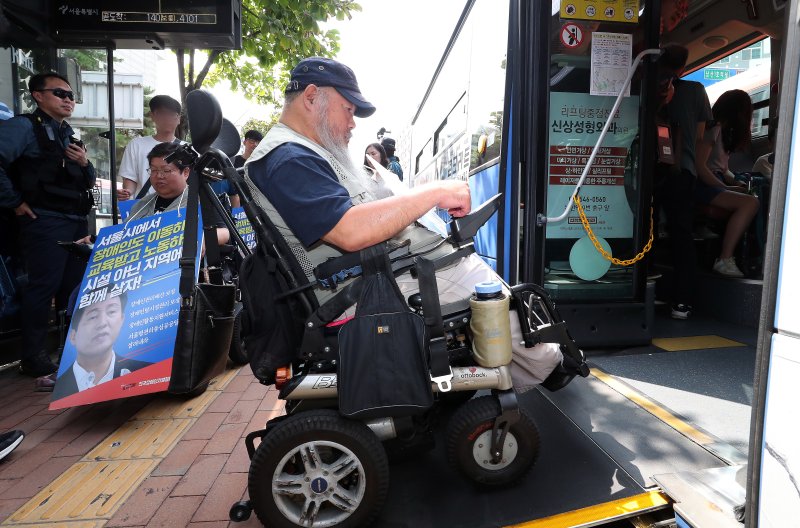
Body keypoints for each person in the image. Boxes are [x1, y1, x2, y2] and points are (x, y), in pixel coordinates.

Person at [245, 57, 562, 391]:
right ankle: (547, 365)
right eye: (348, 109)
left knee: (469, 269)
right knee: (488, 292)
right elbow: (350, 231)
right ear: (311, 97)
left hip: (357, 275)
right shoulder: (288, 158)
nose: (353, 124)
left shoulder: (296, 152)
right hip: (352, 289)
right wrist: (434, 192)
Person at [0, 72, 95, 376]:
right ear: (38, 95)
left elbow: (86, 182)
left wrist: (84, 163)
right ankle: (34, 356)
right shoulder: (23, 127)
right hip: (46, 221)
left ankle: (68, 350)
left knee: (74, 288)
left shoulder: (67, 133)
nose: (68, 100)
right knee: (43, 288)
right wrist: (14, 202)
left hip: (75, 221)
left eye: (71, 95)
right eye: (60, 93)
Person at [662, 44, 713, 320]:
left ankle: (645, 289)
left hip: (646, 171)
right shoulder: (695, 92)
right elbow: (701, 134)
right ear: (683, 67)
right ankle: (682, 301)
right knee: (682, 234)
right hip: (683, 170)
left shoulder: (643, 86)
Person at [695, 89, 759, 278]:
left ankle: (742, 255)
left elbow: (722, 169)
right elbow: (701, 167)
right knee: (751, 202)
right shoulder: (714, 130)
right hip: (703, 185)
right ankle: (725, 258)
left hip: (714, 182)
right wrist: (726, 187)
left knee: (751, 196)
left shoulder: (725, 132)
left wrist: (737, 183)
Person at [127, 142, 230, 246]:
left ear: (185, 172)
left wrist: (200, 242)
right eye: (153, 170)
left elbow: (224, 233)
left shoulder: (201, 200)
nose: (159, 176)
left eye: (166, 170)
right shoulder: (140, 206)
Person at [52, 293, 150, 399]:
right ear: (73, 336)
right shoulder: (62, 388)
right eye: (93, 317)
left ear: (122, 319)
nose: (102, 323)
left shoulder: (147, 372)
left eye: (111, 312)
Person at [117, 95, 182, 201]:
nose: (166, 118)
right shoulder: (136, 145)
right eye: (161, 113)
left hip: (176, 211)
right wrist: (126, 193)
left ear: (179, 119)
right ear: (152, 116)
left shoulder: (188, 149)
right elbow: (130, 178)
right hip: (145, 211)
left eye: (171, 114)